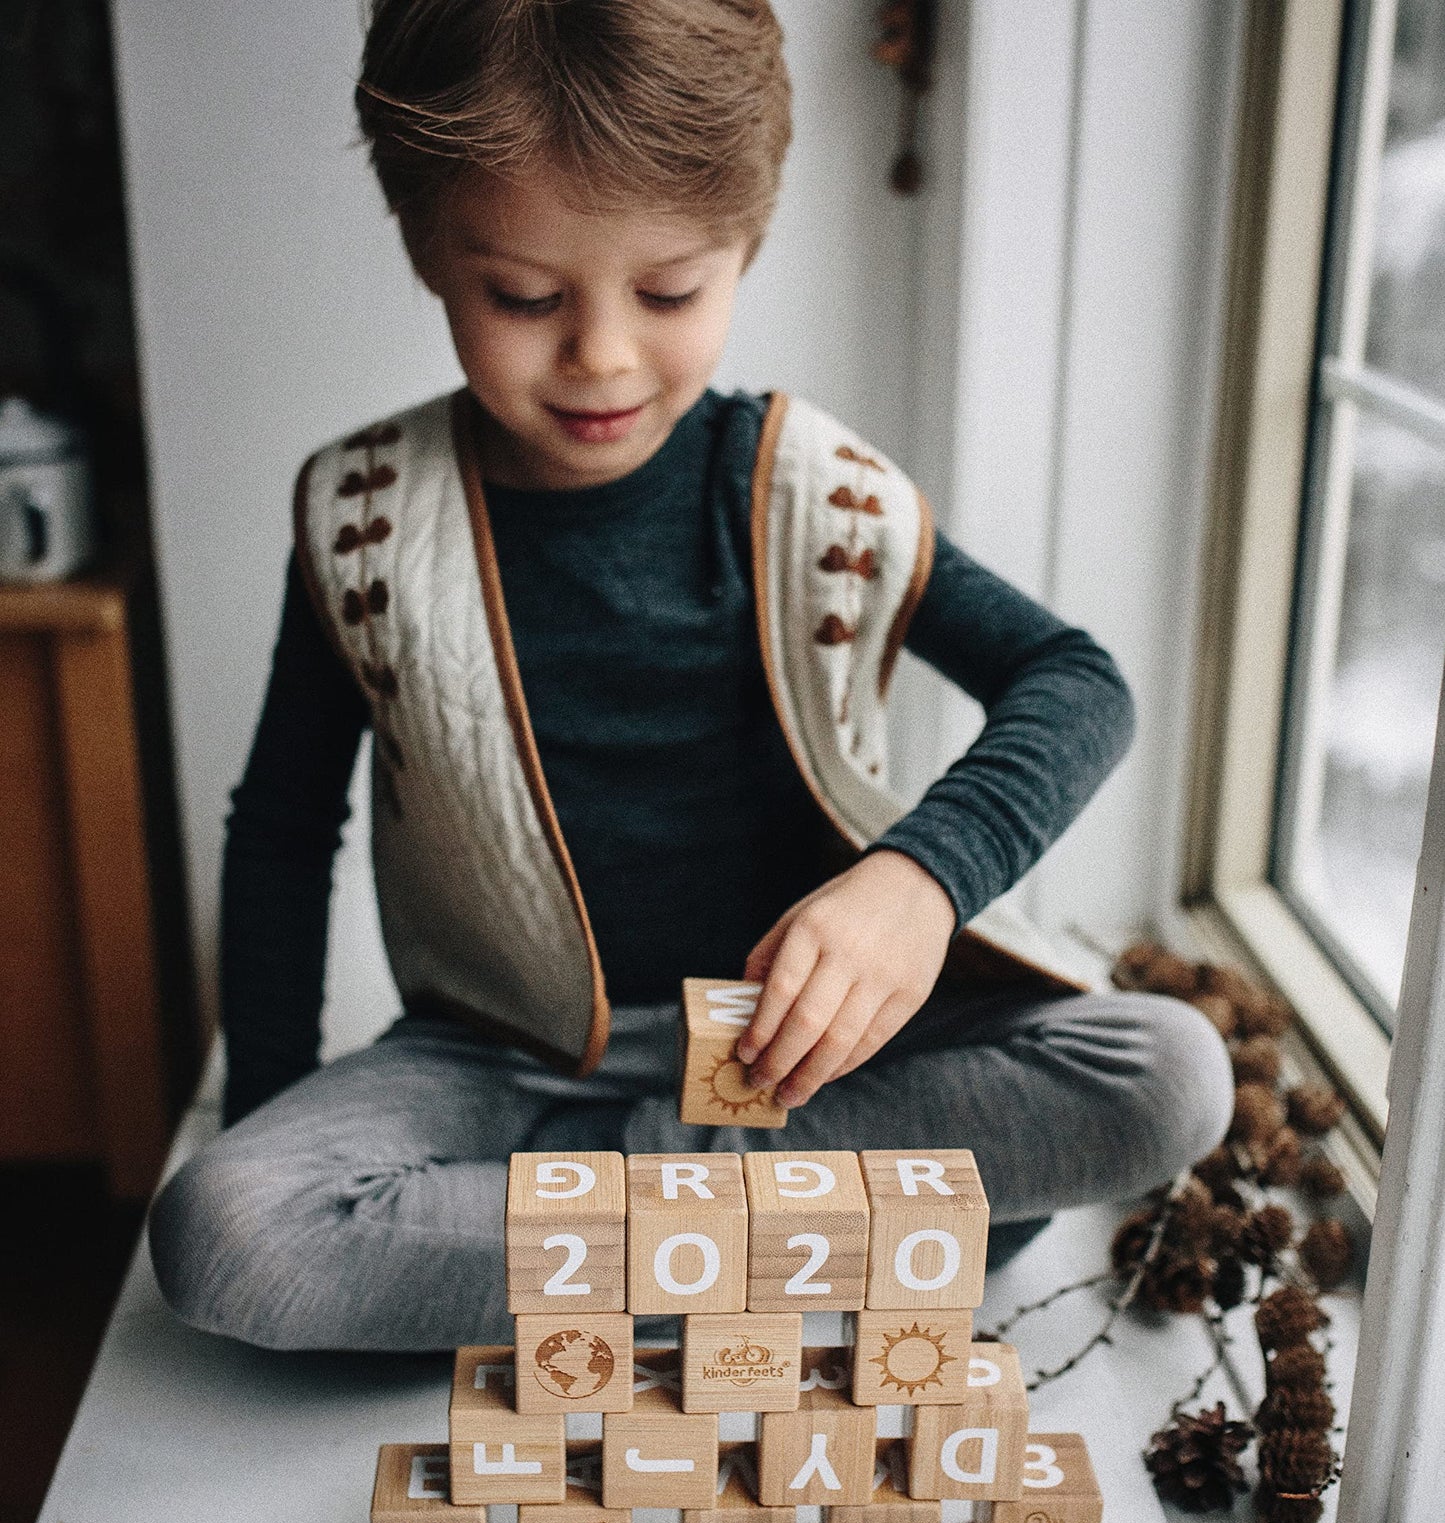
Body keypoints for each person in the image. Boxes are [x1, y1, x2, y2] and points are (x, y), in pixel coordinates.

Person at [148, 0, 1234, 1352]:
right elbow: (283, 829)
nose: (601, 353)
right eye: (525, 296)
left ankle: (640, 1229)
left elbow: (1075, 681)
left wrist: (918, 882)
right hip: (503, 1067)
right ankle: (851, 1232)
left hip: (806, 1055)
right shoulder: (363, 516)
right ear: (428, 246)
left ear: (746, 244)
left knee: (1168, 1075)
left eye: (667, 293)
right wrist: (271, 1119)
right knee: (227, 1232)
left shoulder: (809, 489)